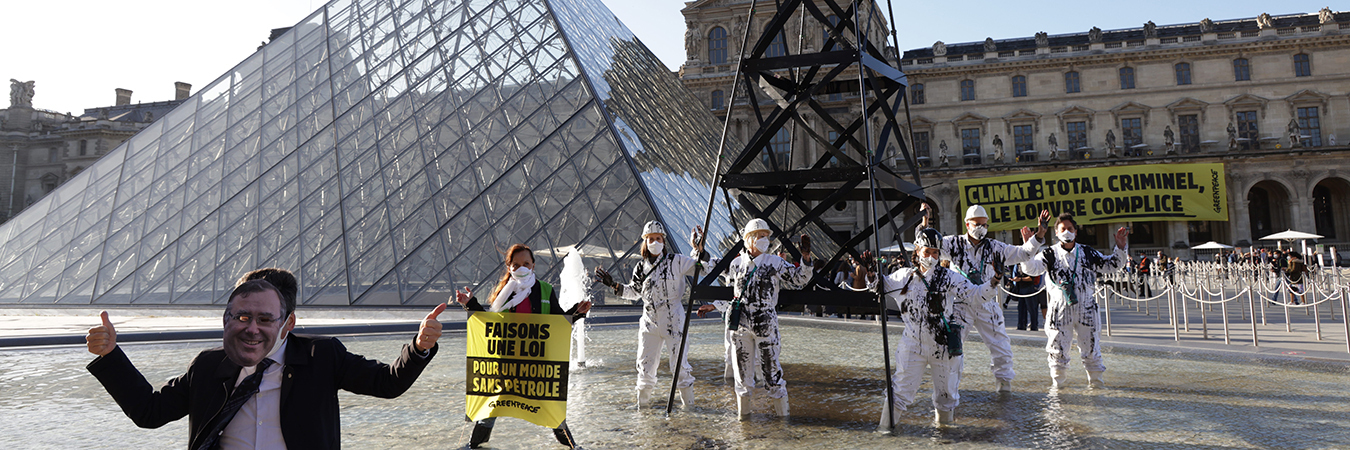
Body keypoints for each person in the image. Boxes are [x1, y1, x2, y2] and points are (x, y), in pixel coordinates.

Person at [85, 268, 445, 450]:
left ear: (287, 322)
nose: (252, 328)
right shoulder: (210, 365)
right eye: (242, 316)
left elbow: (388, 383)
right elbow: (150, 412)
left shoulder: (321, 355)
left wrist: (419, 346)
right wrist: (111, 355)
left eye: (264, 318)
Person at [454, 244, 592, 449]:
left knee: (550, 404)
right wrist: (470, 304)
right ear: (509, 267)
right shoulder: (503, 293)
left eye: (526, 263)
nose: (521, 268)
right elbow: (488, 322)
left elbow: (558, 320)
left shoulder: (545, 289)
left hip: (536, 363)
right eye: (516, 264)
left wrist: (576, 312)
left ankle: (572, 446)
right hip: (507, 362)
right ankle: (474, 446)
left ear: (533, 265)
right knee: (493, 405)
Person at [853, 228, 992, 427]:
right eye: (927, 251)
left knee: (946, 397)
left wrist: (994, 282)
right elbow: (879, 287)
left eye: (936, 252)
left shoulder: (949, 277)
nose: (932, 257)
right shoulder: (904, 277)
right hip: (912, 345)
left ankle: (944, 438)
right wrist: (871, 273)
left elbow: (976, 295)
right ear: (917, 250)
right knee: (899, 392)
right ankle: (884, 435)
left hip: (943, 347)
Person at [920, 203, 1048, 392]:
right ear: (967, 224)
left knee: (1001, 347)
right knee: (952, 349)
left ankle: (1004, 387)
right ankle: (948, 392)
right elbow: (927, 242)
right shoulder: (953, 243)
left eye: (985, 224)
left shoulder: (995, 247)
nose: (982, 228)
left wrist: (1039, 235)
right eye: (977, 224)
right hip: (960, 305)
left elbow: (1023, 253)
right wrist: (925, 220)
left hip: (987, 304)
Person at [696, 218, 811, 420]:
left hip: (766, 326)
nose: (764, 239)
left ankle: (783, 421)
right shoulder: (735, 264)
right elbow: (712, 266)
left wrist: (806, 258)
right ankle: (744, 422)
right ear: (748, 239)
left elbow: (800, 278)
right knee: (741, 378)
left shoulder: (774, 262)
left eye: (766, 236)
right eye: (759, 236)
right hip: (740, 328)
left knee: (772, 374)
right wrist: (700, 249)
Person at [594, 221, 707, 408]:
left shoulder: (677, 261)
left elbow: (701, 268)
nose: (655, 242)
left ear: (664, 240)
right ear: (645, 243)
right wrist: (613, 285)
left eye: (658, 238)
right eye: (651, 239)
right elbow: (634, 292)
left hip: (674, 321)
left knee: (680, 369)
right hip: (649, 323)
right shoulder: (640, 267)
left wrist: (699, 250)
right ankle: (643, 411)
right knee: (644, 369)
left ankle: (690, 411)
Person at [1020, 213, 1129, 389]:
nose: (1067, 232)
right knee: (1057, 351)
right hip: (1059, 310)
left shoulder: (1087, 252)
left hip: (1086, 308)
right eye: (1063, 229)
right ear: (1056, 232)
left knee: (1092, 349)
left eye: (1070, 229)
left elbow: (1111, 265)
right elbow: (1031, 269)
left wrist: (1120, 247)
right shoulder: (1049, 254)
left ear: (1076, 232)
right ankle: (1058, 388)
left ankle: (1096, 386)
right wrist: (1028, 247)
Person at [1011, 266, 1044, 331]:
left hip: (1030, 288)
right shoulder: (1018, 264)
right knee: (1021, 308)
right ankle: (1021, 326)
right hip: (1021, 288)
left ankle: (1034, 326)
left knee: (1032, 309)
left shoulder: (1030, 263)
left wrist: (1020, 279)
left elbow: (1032, 278)